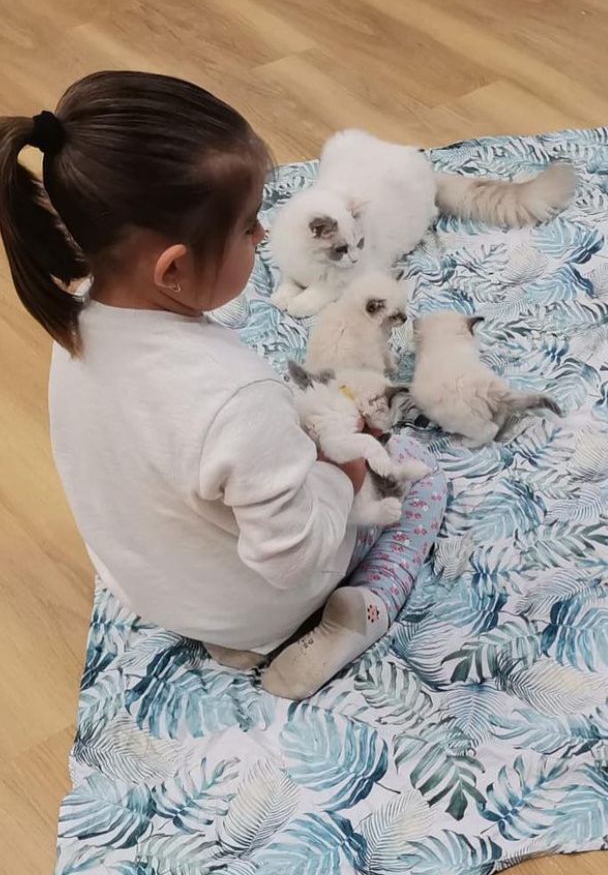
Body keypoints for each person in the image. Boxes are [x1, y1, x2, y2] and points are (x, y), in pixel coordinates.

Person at [0, 70, 446, 700]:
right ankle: (351, 618)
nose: (263, 235)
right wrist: (343, 470)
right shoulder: (231, 395)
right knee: (418, 476)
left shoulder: (76, 318)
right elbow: (292, 554)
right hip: (259, 598)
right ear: (174, 270)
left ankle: (233, 635)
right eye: (248, 226)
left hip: (155, 588)